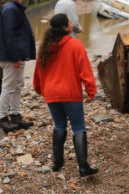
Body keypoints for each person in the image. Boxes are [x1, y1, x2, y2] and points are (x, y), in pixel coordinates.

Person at [33, 13, 98, 176]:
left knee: (59, 125)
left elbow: (38, 71)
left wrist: (39, 88)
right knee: (78, 127)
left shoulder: (45, 47)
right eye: (69, 22)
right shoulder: (75, 45)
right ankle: (83, 167)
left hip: (51, 94)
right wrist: (91, 91)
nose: (71, 23)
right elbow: (85, 71)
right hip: (70, 94)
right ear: (65, 27)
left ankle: (57, 162)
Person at [0, 0, 36, 132]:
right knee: (9, 86)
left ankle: (15, 115)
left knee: (17, 85)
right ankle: (3, 118)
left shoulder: (13, 8)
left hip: (15, 55)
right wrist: (16, 57)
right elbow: (10, 35)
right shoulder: (11, 9)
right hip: (11, 57)